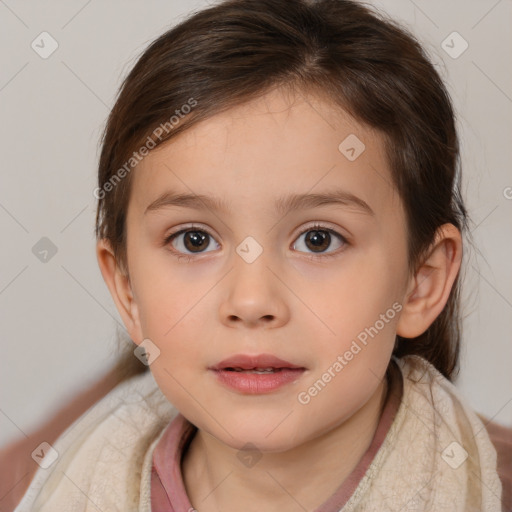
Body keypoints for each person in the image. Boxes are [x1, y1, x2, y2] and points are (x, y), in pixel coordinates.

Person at [7, 0, 511, 510]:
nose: (251, 301)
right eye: (194, 239)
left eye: (318, 239)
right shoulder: (46, 487)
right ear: (128, 289)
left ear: (420, 281)